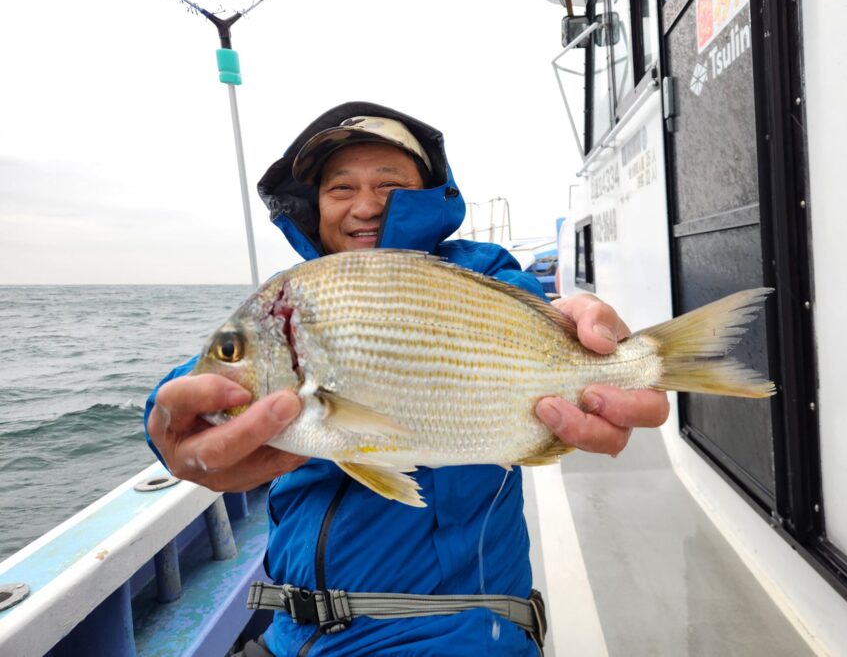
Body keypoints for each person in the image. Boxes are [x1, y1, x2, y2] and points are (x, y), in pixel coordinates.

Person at [145, 102, 669, 656]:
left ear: (425, 194)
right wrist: (169, 418)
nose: (365, 206)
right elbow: (201, 380)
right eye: (340, 188)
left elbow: (543, 315)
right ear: (315, 205)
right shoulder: (291, 295)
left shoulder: (484, 270)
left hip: (453, 633)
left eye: (390, 184)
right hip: (288, 634)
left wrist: (600, 342)